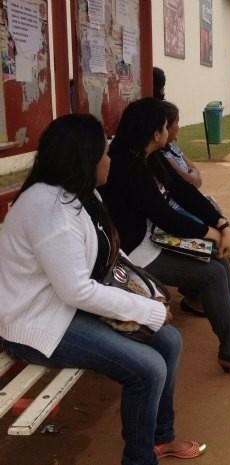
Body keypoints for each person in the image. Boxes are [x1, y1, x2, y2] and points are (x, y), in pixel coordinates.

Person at [0, 114, 205, 464]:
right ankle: (140, 459)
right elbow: (77, 291)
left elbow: (110, 255)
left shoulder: (79, 195)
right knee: (148, 369)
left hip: (62, 308)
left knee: (169, 340)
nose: (110, 159)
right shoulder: (50, 211)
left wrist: (146, 294)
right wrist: (148, 310)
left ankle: (160, 437)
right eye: (104, 153)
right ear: (84, 159)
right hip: (37, 323)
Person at [98, 98, 230, 380]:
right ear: (156, 133)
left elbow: (184, 192)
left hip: (152, 240)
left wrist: (222, 223)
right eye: (168, 126)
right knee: (213, 274)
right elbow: (164, 215)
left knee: (219, 263)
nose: (171, 131)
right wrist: (212, 234)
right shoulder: (126, 165)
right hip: (133, 253)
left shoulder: (149, 157)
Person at [162, 101, 202, 188]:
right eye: (176, 122)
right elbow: (189, 181)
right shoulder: (161, 154)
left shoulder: (172, 147)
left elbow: (198, 179)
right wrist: (194, 174)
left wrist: (195, 175)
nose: (178, 127)